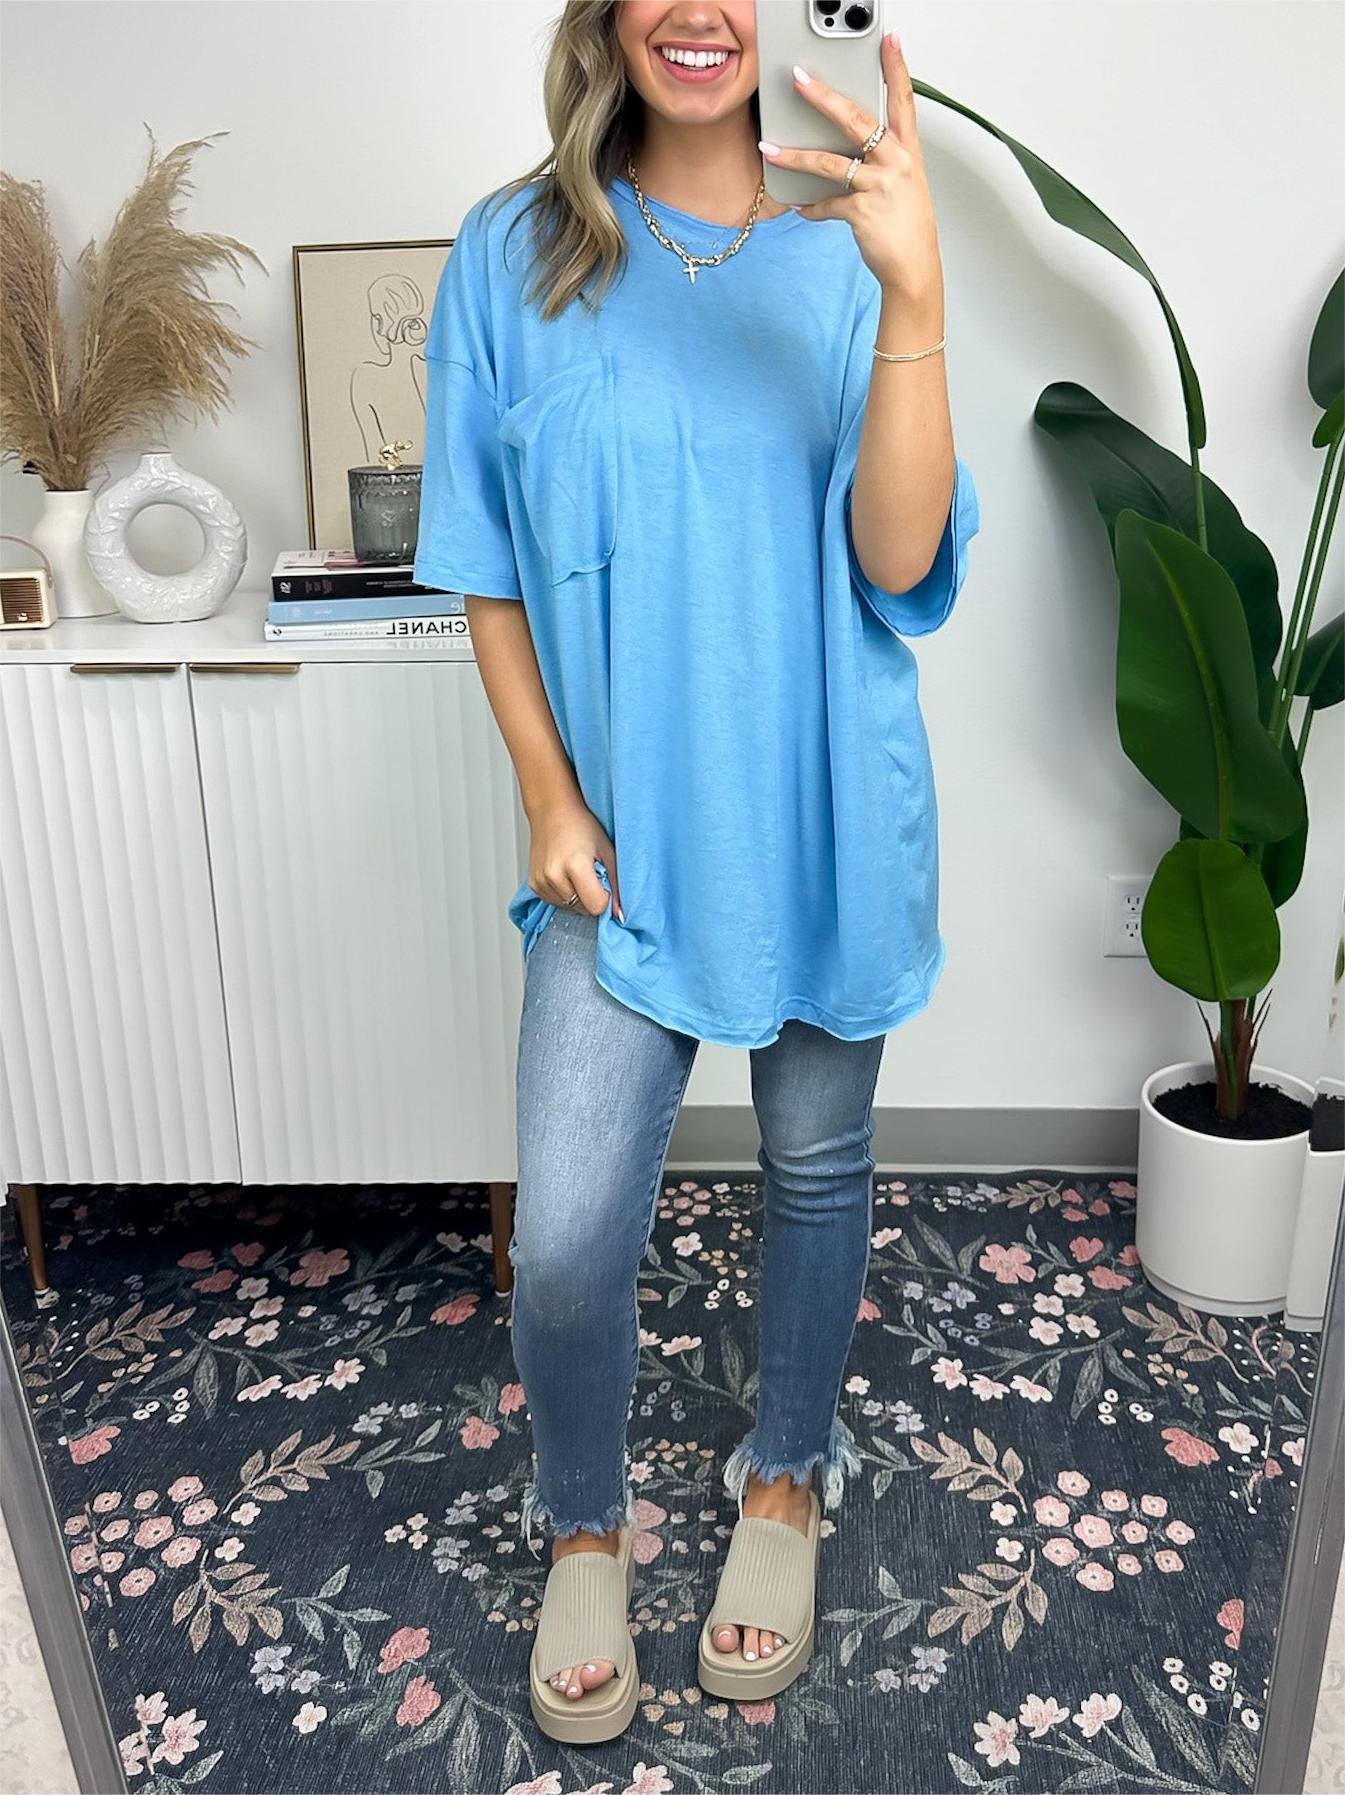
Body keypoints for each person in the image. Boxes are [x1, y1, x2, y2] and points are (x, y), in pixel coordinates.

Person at [412, 0, 980, 1745]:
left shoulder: (847, 248)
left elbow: (899, 561)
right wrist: (545, 794)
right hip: (617, 839)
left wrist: (912, 295)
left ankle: (786, 1473)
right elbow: (482, 560)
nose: (695, 13)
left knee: (814, 1165)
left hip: (820, 807)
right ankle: (584, 1519)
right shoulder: (510, 253)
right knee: (569, 1240)